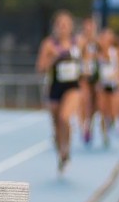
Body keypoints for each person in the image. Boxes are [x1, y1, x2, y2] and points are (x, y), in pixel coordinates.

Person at [36, 11, 81, 174]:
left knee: (65, 118)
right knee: (56, 125)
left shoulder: (78, 43)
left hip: (72, 87)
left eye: (66, 24)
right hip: (54, 88)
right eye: (60, 24)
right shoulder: (49, 44)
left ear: (71, 27)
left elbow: (89, 60)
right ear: (55, 27)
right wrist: (53, 58)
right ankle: (60, 153)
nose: (63, 27)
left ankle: (66, 149)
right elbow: (40, 68)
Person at [76, 15, 99, 145]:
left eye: (92, 27)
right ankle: (83, 127)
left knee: (93, 104)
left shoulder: (97, 42)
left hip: (94, 76)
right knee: (84, 100)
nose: (89, 30)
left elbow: (104, 56)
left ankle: (89, 125)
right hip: (83, 75)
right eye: (87, 27)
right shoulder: (80, 40)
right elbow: (77, 53)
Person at [94, 27, 119, 147]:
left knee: (113, 110)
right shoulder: (96, 53)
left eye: (108, 37)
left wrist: (117, 75)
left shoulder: (116, 52)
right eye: (103, 37)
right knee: (103, 111)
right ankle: (104, 134)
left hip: (113, 84)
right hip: (102, 85)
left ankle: (112, 122)